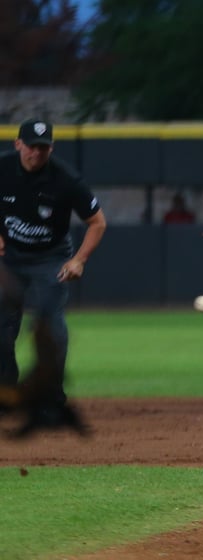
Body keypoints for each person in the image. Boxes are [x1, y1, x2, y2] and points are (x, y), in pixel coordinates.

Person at [0, 117, 107, 411]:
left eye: (44, 148)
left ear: (52, 148)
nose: (37, 153)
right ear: (18, 144)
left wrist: (79, 260)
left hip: (51, 258)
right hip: (8, 259)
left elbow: (97, 223)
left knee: (50, 325)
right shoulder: (3, 168)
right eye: (32, 146)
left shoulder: (66, 179)